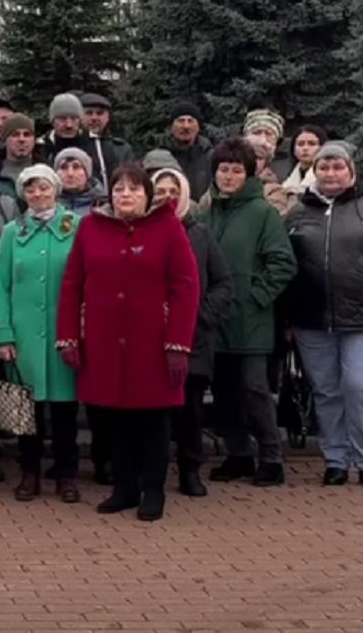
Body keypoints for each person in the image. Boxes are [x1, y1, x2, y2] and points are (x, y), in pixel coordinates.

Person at [59, 163, 199, 522]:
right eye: (119, 189)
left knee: (152, 422)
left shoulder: (168, 228)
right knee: (112, 419)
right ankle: (124, 488)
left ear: (147, 195)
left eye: (134, 189)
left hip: (152, 342)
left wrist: (178, 343)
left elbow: (186, 287)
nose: (126, 195)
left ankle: (152, 491)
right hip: (104, 341)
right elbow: (73, 283)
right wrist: (68, 335)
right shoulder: (90, 227)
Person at [283, 141, 363, 488]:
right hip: (311, 318)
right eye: (324, 168)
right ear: (314, 172)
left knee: (360, 385)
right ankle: (335, 459)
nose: (330, 174)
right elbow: (285, 262)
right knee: (326, 390)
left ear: (351, 171)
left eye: (338, 167)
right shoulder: (298, 212)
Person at [202, 138, 298, 487]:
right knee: (224, 392)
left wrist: (256, 297)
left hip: (251, 321)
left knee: (254, 390)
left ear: (249, 173)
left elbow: (283, 263)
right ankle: (238, 453)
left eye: (236, 170)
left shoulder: (262, 213)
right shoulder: (206, 212)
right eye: (223, 169)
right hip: (215, 319)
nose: (228, 176)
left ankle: (271, 456)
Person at [0, 165, 81, 501]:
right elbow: (1, 285)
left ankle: (67, 475)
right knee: (23, 412)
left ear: (55, 189)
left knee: (64, 413)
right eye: (31, 189)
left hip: (64, 334)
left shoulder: (76, 227)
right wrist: (4, 334)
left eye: (44, 187)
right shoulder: (11, 232)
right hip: (24, 335)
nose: (38, 194)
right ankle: (29, 473)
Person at [150, 167, 233, 498]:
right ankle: (150, 471)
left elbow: (223, 282)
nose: (167, 197)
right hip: (150, 336)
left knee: (190, 411)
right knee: (153, 413)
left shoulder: (199, 234)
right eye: (160, 191)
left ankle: (189, 471)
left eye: (174, 191)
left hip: (192, 338)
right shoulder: (142, 230)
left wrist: (201, 315)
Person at [157, 101, 213, 197]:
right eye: (181, 121)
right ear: (172, 126)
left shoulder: (211, 157)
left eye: (190, 121)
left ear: (198, 127)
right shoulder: (159, 158)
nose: (186, 126)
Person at [79, 93, 135, 184]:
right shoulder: (75, 146)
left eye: (99, 113)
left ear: (108, 117)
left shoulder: (122, 149)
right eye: (89, 113)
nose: (94, 118)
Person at [278, 124, 329, 204]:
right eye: (300, 144)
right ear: (294, 150)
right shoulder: (284, 179)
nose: (305, 148)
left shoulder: (329, 177)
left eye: (312, 144)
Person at [36, 93, 87, 169]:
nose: (68, 125)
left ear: (80, 120)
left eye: (73, 119)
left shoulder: (94, 145)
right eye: (62, 119)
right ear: (52, 121)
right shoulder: (40, 148)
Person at [0, 114, 38, 199]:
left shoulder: (45, 170)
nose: (22, 139)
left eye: (27, 134)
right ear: (4, 140)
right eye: (15, 135)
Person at [54, 147, 106, 213]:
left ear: (87, 173)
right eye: (64, 167)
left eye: (76, 167)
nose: (70, 173)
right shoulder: (47, 205)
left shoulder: (103, 205)